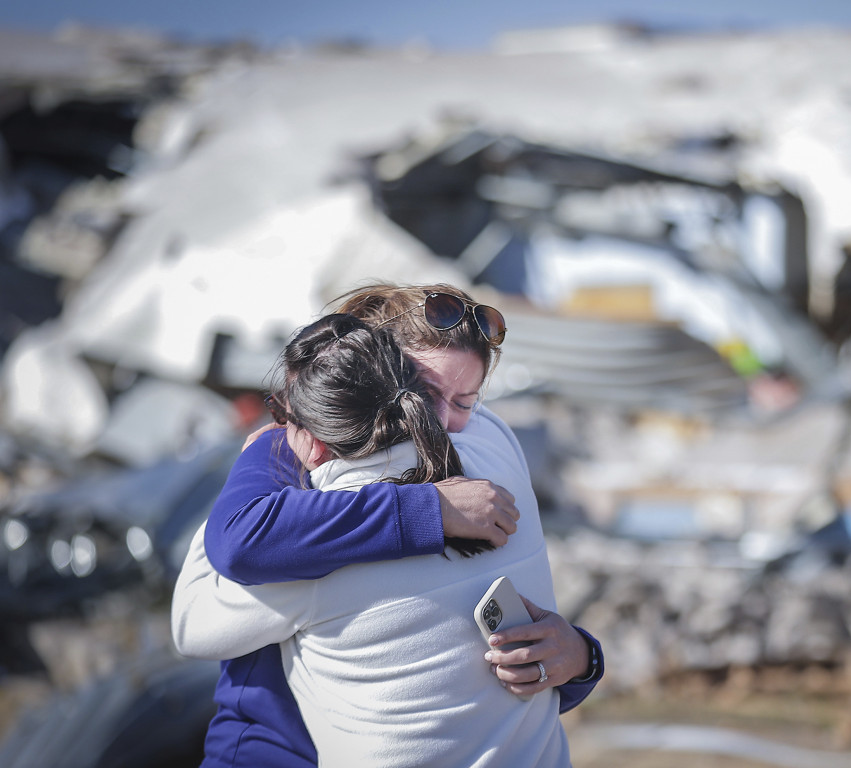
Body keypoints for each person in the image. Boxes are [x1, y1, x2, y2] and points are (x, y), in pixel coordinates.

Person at [174, 284, 602, 767]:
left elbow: (194, 620)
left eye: (465, 401)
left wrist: (267, 449)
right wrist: (584, 660)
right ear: (355, 369)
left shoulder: (315, 499)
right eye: (421, 392)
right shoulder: (494, 452)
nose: (437, 423)